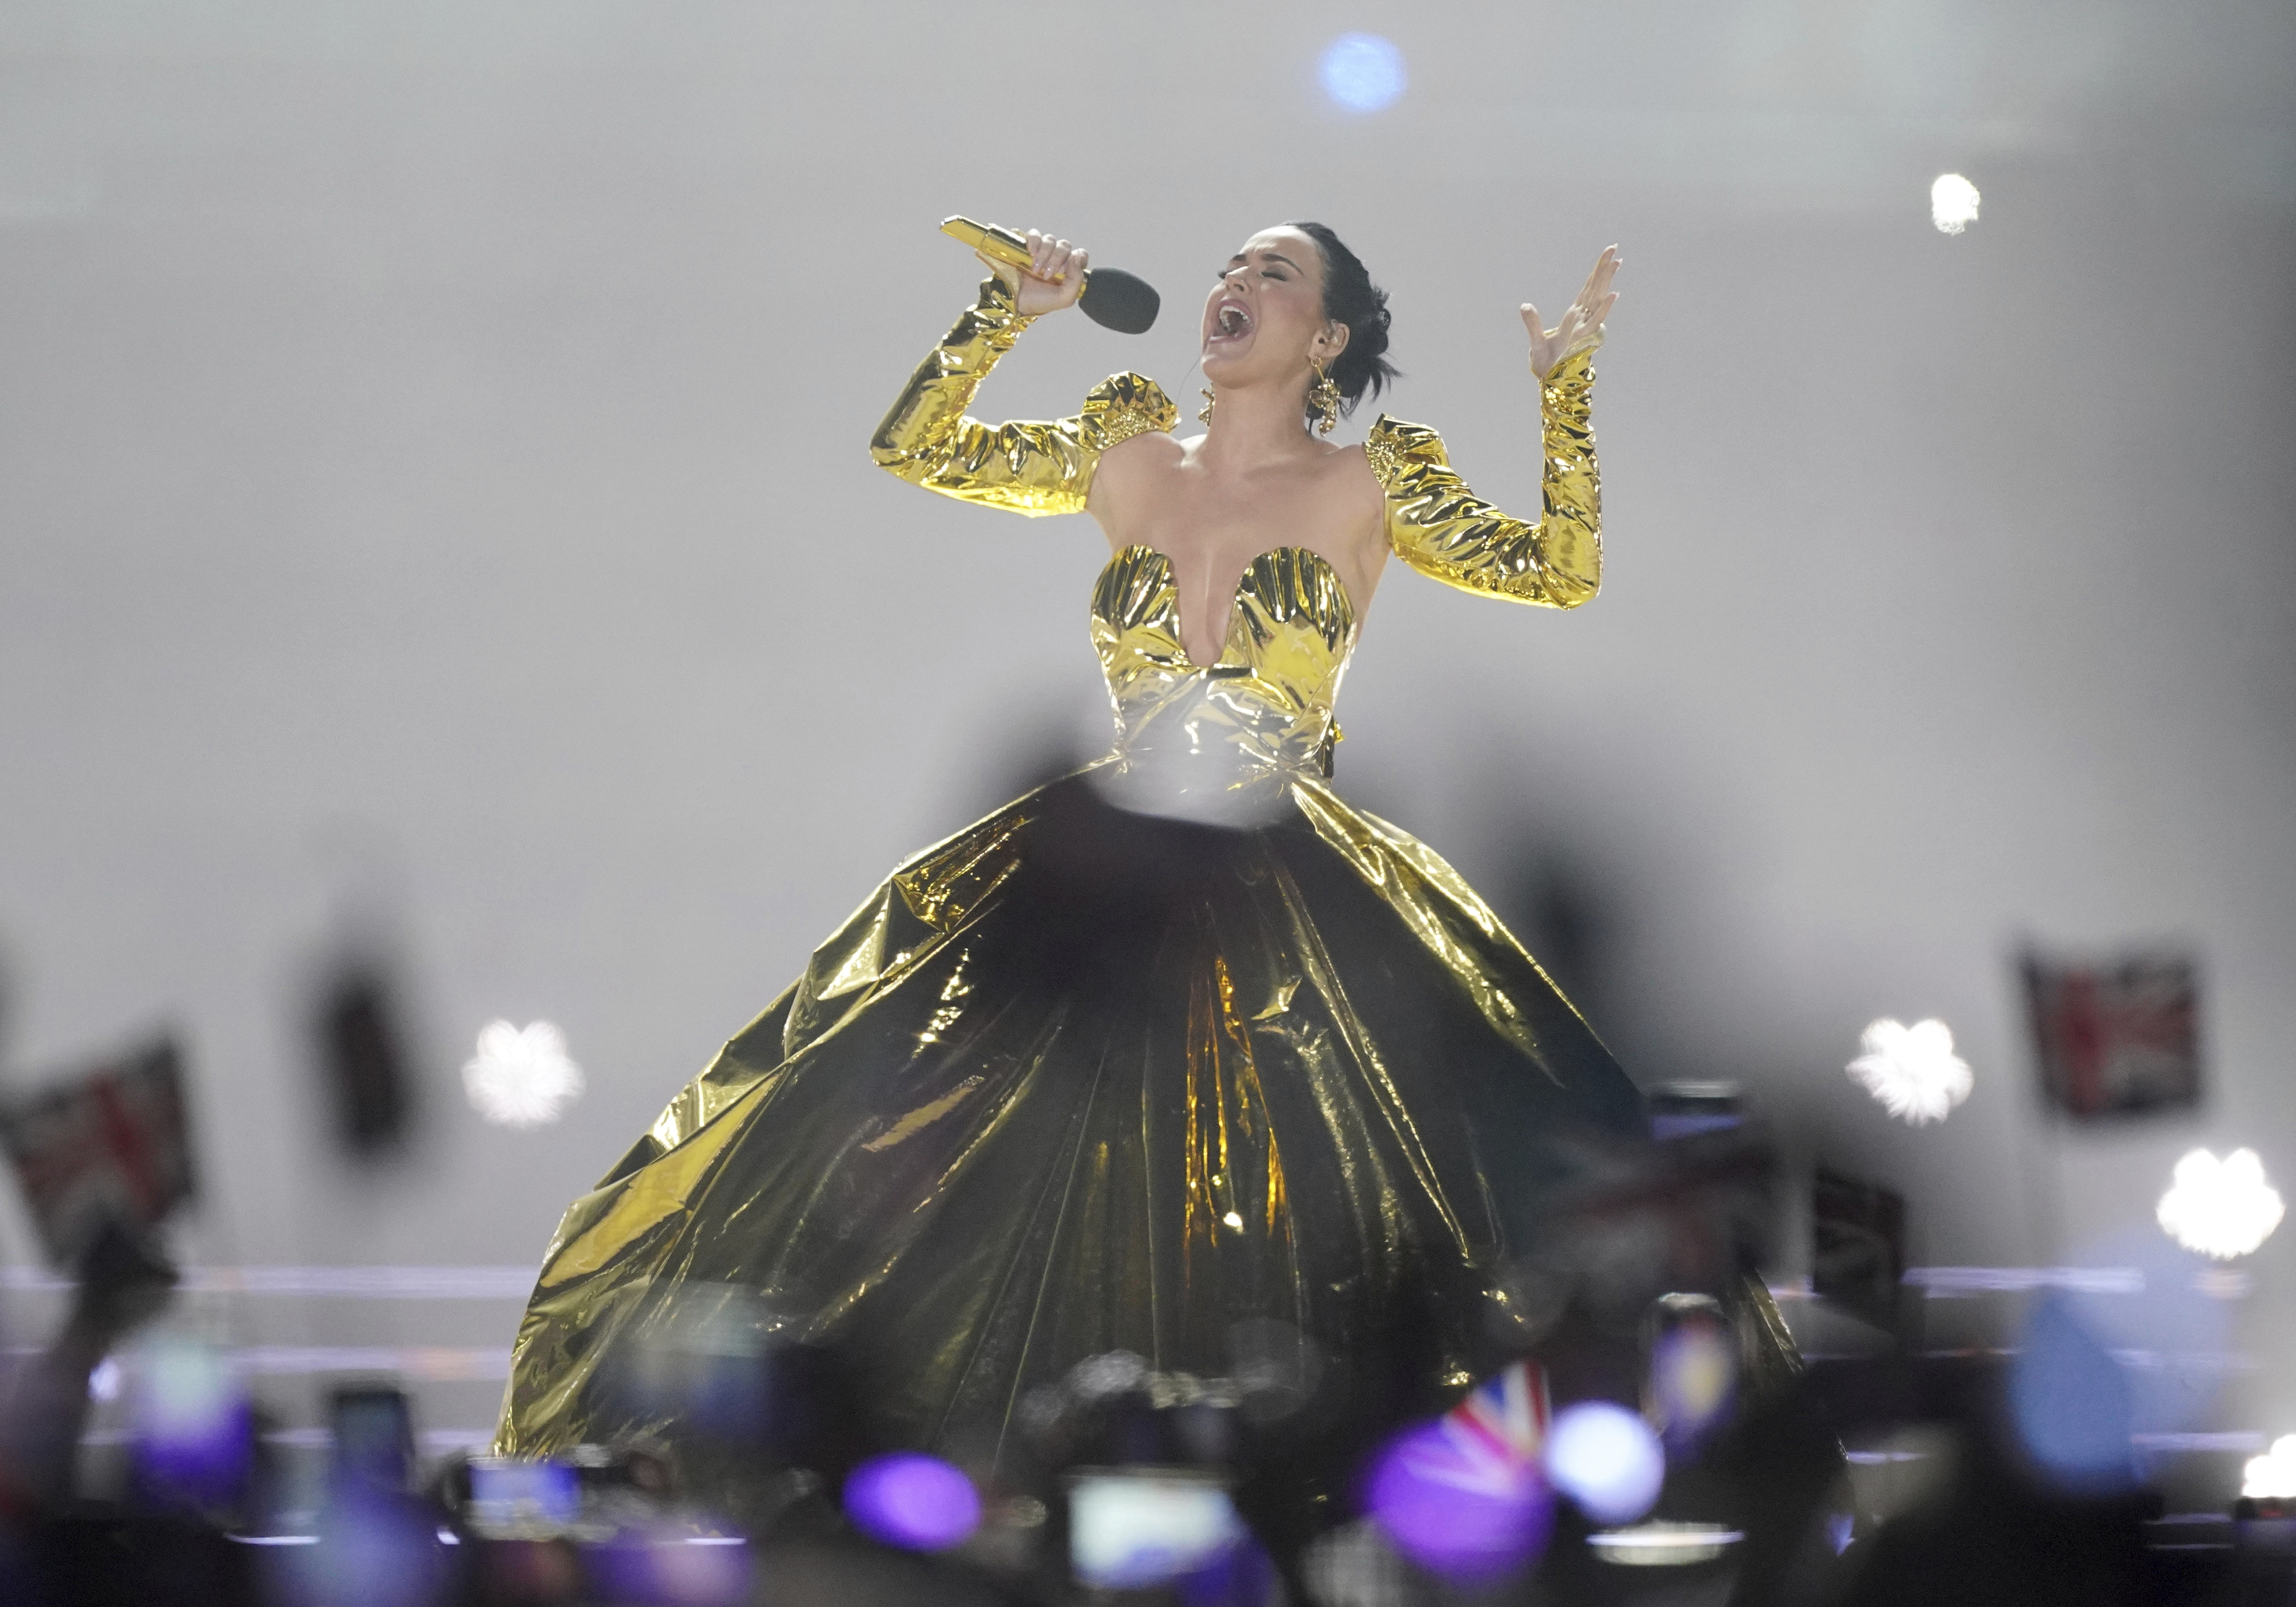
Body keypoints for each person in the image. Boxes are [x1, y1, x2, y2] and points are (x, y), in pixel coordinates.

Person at [495, 222, 1641, 1489]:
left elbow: (1559, 571)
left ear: (1324, 340)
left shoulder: (1374, 481)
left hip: (1285, 860)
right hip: (1114, 863)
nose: (1231, 287)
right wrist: (1003, 313)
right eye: (1229, 267)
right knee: (928, 1127)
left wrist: (1564, 393)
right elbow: (915, 448)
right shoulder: (1128, 451)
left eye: (1271, 274)